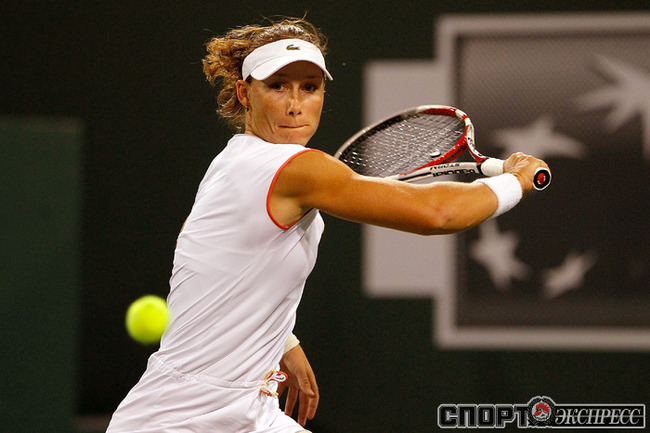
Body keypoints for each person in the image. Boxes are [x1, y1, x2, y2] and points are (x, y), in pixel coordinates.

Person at [106, 17, 550, 433]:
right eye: (277, 86)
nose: (295, 105)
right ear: (244, 93)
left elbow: (207, 259)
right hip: (180, 418)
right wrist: (516, 182)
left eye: (310, 87)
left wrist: (282, 341)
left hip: (245, 408)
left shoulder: (230, 162)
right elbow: (436, 213)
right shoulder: (295, 169)